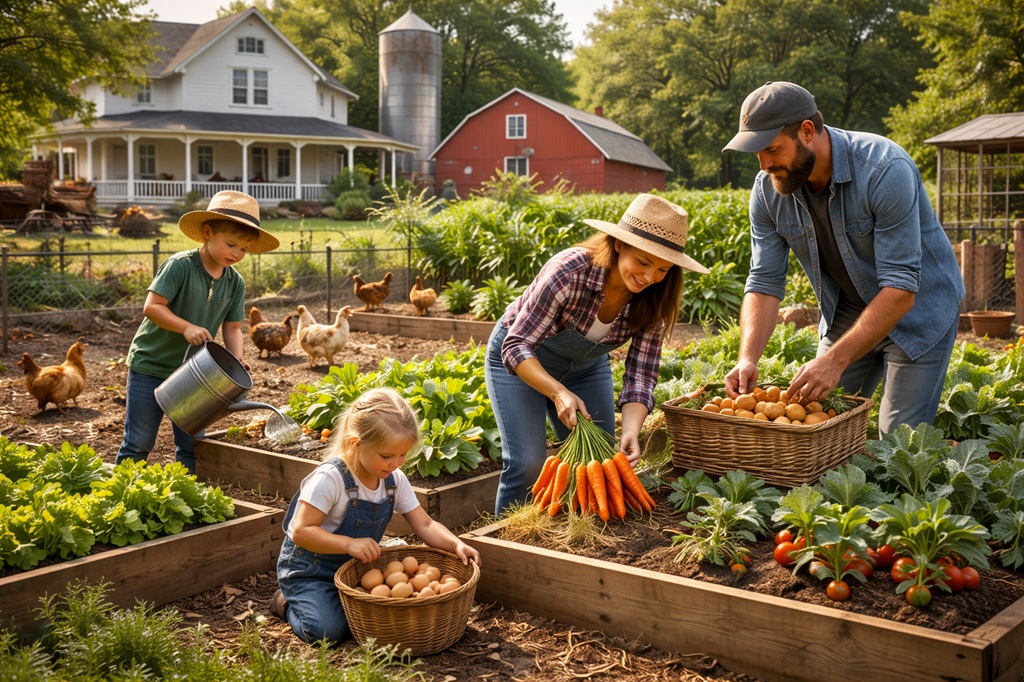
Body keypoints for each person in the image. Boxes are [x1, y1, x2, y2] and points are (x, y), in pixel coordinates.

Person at [721, 81, 965, 434]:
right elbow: (764, 282)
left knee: (900, 442)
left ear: (807, 131)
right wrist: (747, 358)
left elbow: (900, 288)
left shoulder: (884, 169)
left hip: (919, 308)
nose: (764, 164)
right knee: (814, 423)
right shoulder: (768, 191)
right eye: (756, 152)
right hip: (850, 309)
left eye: (772, 149)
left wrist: (834, 361)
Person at [486, 193, 709, 515]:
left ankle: (571, 535)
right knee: (527, 464)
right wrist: (559, 392)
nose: (649, 277)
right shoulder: (570, 271)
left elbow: (641, 375)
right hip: (522, 361)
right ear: (619, 245)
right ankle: (503, 546)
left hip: (585, 369)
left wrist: (632, 430)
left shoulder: (656, 299)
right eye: (643, 262)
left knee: (600, 463)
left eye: (662, 269)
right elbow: (518, 344)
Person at [271, 387, 481, 644]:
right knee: (328, 633)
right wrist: (349, 544)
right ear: (355, 444)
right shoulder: (330, 479)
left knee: (377, 622)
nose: (396, 462)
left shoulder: (394, 480)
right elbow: (302, 531)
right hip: (311, 571)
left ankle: (340, 602)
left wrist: (456, 544)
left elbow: (425, 524)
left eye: (403, 454)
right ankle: (286, 602)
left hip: (356, 569)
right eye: (387, 455)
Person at [114, 190, 280, 472]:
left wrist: (236, 360)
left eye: (244, 249)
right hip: (150, 365)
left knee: (192, 443)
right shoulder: (180, 266)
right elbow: (152, 307)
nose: (236, 254)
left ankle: (186, 497)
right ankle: (122, 498)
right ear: (206, 232)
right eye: (231, 244)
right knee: (139, 441)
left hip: (196, 374)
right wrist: (185, 327)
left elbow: (233, 326)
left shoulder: (234, 282)